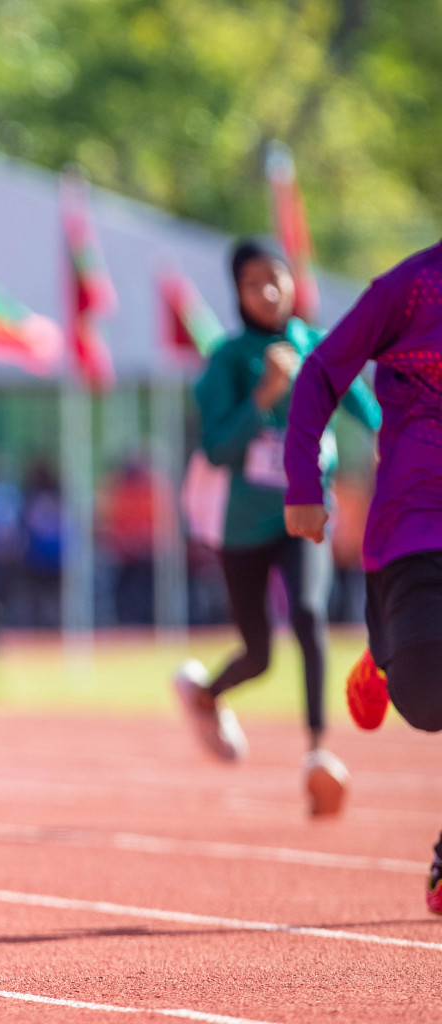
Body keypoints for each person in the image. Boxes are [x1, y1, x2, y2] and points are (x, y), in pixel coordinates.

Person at [175, 239, 380, 817]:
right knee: (259, 653)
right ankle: (206, 693)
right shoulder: (228, 359)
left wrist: (400, 441)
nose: (268, 292)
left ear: (294, 282)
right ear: (236, 294)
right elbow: (216, 450)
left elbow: (367, 409)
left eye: (277, 279)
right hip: (242, 527)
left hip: (304, 513)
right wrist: (264, 394)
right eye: (252, 283)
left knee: (312, 614)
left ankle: (318, 754)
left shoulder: (318, 347)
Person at [282, 239, 442, 905]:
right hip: (415, 522)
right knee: (430, 703)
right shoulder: (411, 287)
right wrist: (300, 486)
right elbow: (321, 371)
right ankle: (384, 656)